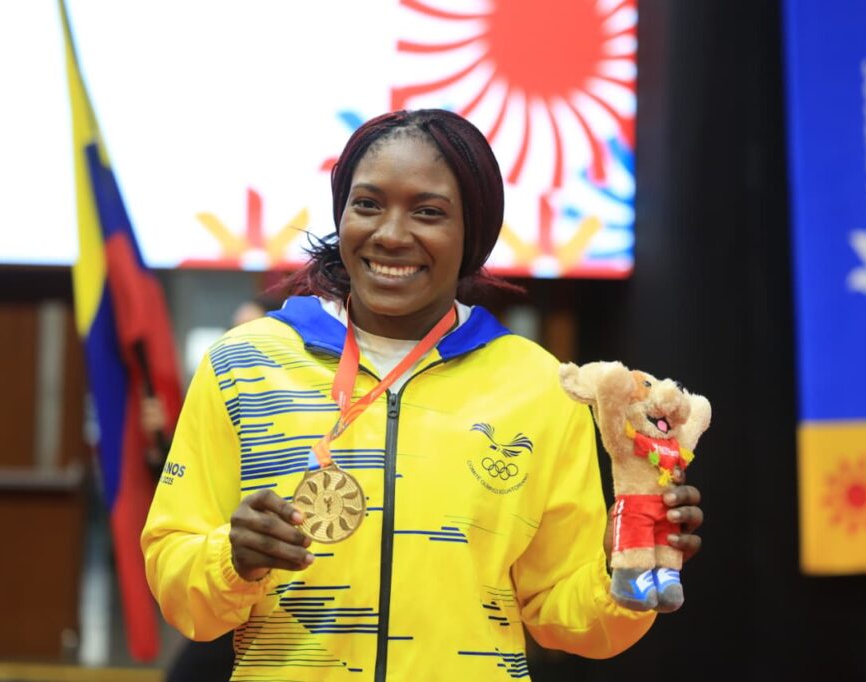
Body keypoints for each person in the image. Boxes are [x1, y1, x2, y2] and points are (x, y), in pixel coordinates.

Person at [141, 109, 704, 681]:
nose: (390, 234)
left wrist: (621, 565)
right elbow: (177, 585)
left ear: (473, 234)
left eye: (428, 212)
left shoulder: (539, 385)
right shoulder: (243, 365)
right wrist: (231, 558)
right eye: (367, 204)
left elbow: (565, 618)